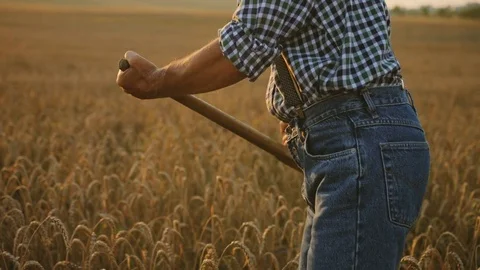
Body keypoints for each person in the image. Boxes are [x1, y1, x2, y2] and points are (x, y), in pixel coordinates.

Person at [116, 1, 431, 269]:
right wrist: (299, 117)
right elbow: (329, 47)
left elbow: (242, 46)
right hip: (365, 136)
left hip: (358, 139)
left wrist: (160, 81)